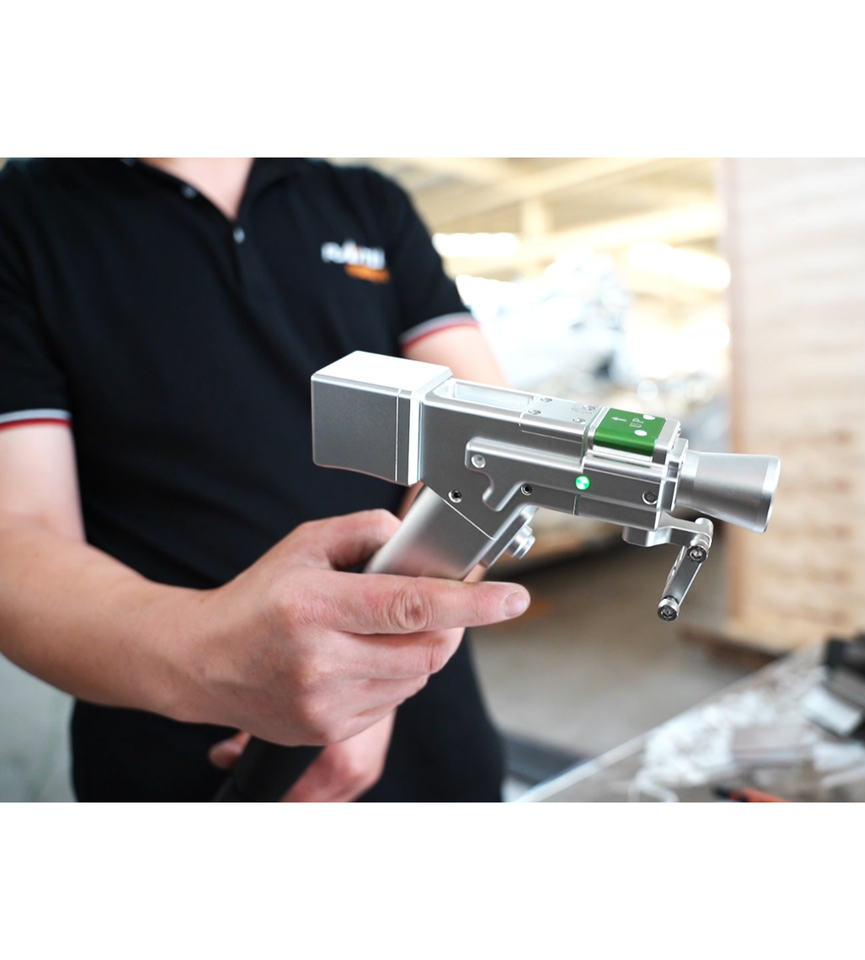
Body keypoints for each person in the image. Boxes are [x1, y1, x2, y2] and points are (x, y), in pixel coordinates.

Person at [0, 158, 529, 802]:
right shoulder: (22, 216)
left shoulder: (366, 203)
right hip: (188, 758)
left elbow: (487, 439)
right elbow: (18, 534)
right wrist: (213, 654)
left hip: (426, 733)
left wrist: (376, 667)